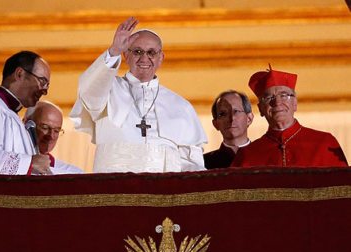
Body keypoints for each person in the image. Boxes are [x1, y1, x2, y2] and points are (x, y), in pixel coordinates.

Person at [70, 17, 207, 173]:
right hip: (114, 188)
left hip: (163, 191)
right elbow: (88, 92)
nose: (144, 58)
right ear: (126, 56)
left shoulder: (181, 106)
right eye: (137, 52)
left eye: (151, 52)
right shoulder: (107, 88)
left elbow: (192, 163)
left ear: (161, 58)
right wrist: (114, 50)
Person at [232, 66, 348, 167]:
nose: (277, 102)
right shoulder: (247, 155)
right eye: (269, 98)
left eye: (284, 95)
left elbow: (344, 188)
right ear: (261, 109)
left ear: (295, 103)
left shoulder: (324, 143)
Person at [24, 101, 83, 174]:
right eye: (45, 128)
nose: (51, 136)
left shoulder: (72, 173)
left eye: (56, 131)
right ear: (27, 124)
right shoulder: (14, 163)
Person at [204, 90, 254, 169]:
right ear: (215, 124)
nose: (231, 118)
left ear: (249, 119)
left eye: (236, 111)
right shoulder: (204, 163)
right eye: (223, 114)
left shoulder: (266, 158)